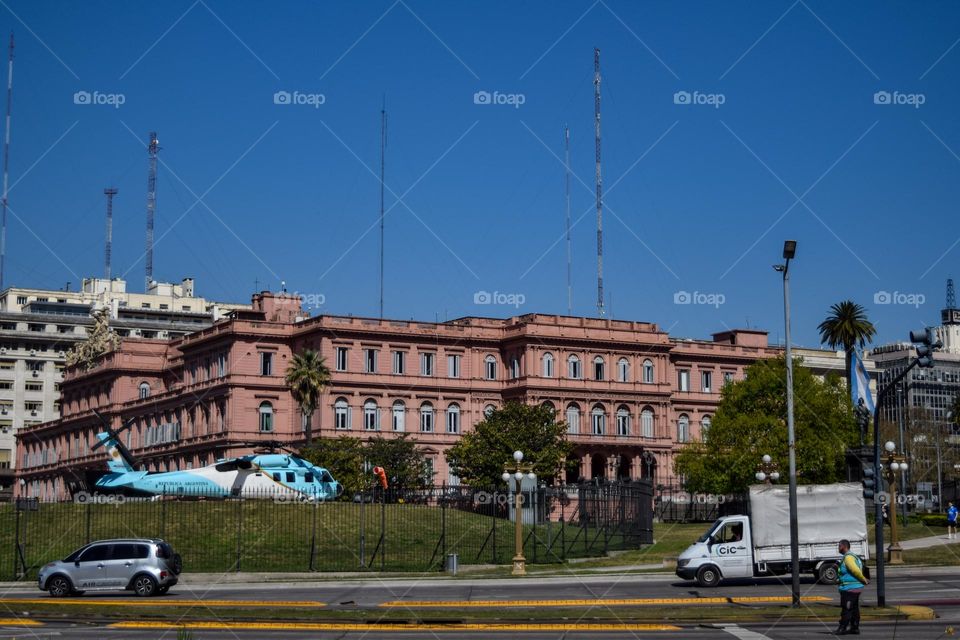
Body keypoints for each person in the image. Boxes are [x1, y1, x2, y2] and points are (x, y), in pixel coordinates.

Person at [836, 539, 868, 635]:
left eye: (839, 546)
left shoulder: (848, 558)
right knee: (854, 608)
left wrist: (863, 579)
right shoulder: (854, 556)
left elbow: (855, 570)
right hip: (855, 587)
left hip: (849, 588)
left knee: (847, 608)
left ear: (844, 546)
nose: (838, 548)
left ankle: (842, 628)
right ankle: (854, 627)